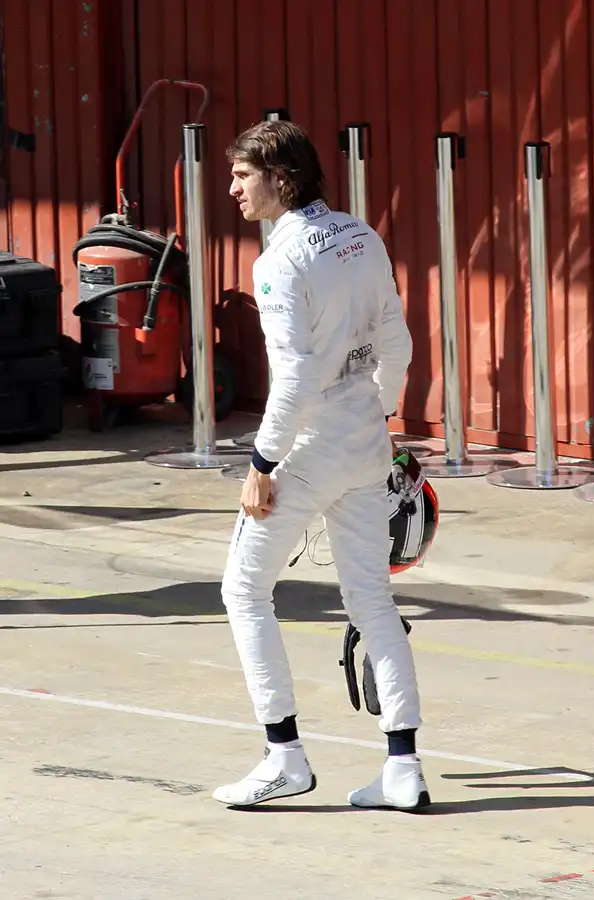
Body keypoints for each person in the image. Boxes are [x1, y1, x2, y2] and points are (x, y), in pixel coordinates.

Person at [213, 120, 430, 812]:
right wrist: (383, 420)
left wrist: (261, 463)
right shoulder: (362, 235)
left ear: (283, 177)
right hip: (364, 439)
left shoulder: (278, 262)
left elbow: (296, 380)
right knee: (371, 600)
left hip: (307, 452)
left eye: (244, 176)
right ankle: (403, 769)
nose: (233, 188)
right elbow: (396, 338)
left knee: (244, 592)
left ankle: (284, 757)